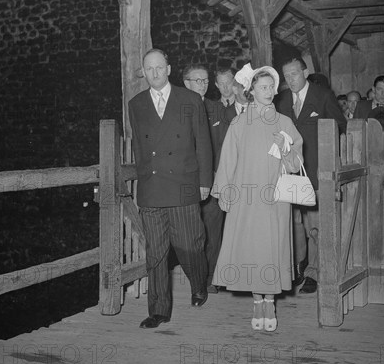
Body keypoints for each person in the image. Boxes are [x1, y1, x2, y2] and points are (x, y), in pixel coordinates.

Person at [212, 64, 303, 332]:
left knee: (271, 248)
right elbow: (228, 159)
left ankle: (270, 302)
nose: (268, 91)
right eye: (262, 87)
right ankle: (256, 302)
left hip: (275, 197)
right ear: (251, 91)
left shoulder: (285, 122)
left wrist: (286, 148)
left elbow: (296, 163)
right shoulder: (239, 122)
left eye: (271, 87)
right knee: (251, 249)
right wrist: (224, 191)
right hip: (245, 197)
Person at [128, 49, 213, 329]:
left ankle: (199, 282)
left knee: (189, 245)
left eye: (159, 67)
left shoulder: (189, 100)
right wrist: (143, 178)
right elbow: (140, 146)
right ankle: (159, 310)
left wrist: (204, 183)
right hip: (152, 188)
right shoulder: (136, 104)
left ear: (168, 69)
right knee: (156, 253)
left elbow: (203, 143)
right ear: (144, 71)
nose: (154, 73)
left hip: (183, 186)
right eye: (149, 69)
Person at [276, 57, 347, 291]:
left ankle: (314, 273)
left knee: (315, 226)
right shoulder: (283, 100)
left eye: (294, 74)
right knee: (295, 222)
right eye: (286, 76)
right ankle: (298, 267)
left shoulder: (323, 95)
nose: (290, 79)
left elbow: (340, 126)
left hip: (316, 171)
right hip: (291, 173)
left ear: (305, 73)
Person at [183, 63, 232, 294]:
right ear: (186, 83)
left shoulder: (216, 108)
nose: (202, 85)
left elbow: (224, 145)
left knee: (213, 230)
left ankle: (212, 277)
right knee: (192, 233)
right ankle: (196, 277)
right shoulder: (179, 109)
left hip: (213, 182)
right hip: (187, 182)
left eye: (204, 80)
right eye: (197, 80)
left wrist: (219, 176)